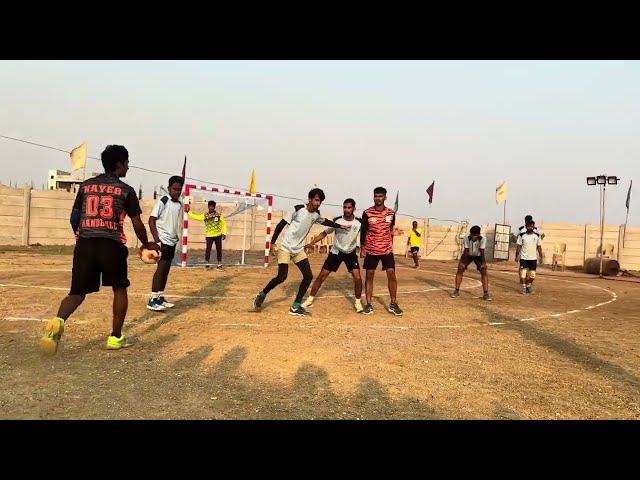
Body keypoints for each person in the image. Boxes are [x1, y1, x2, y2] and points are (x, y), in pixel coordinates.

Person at [39, 145, 159, 356]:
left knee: (76, 293)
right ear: (120, 163)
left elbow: (74, 218)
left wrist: (81, 236)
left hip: (85, 244)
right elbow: (138, 224)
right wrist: (147, 243)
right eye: (127, 163)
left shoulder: (85, 187)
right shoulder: (126, 190)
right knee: (119, 289)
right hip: (111, 245)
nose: (128, 167)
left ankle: (56, 324)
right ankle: (115, 338)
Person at [253, 188, 350, 317]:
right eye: (316, 200)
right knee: (282, 277)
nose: (317, 203)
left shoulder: (316, 215)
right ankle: (263, 294)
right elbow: (281, 224)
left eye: (320, 201)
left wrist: (339, 226)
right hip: (286, 248)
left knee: (308, 276)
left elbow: (325, 221)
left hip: (298, 250)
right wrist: (273, 243)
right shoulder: (298, 209)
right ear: (310, 199)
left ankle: (296, 306)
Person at [301, 198, 363, 313]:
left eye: (349, 207)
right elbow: (324, 233)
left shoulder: (359, 223)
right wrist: (311, 243)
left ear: (354, 209)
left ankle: (358, 302)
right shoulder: (337, 221)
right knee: (322, 276)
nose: (346, 210)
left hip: (350, 253)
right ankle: (310, 299)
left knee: (358, 278)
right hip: (336, 252)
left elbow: (367, 235)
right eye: (345, 207)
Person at [360, 187, 403, 316]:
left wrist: (393, 233)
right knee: (369, 275)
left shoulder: (391, 213)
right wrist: (363, 248)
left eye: (380, 196)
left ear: (385, 197)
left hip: (386, 250)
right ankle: (368, 304)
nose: (378, 198)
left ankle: (393, 304)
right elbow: (363, 232)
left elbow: (389, 229)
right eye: (376, 196)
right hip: (371, 250)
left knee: (391, 274)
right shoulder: (367, 212)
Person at [147, 176, 184, 311]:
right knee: (161, 269)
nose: (177, 192)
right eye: (174, 189)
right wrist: (157, 240)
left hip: (172, 241)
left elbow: (173, 222)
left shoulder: (179, 204)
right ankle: (152, 299)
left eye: (179, 190)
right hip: (163, 241)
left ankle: (160, 297)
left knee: (166, 270)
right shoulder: (163, 201)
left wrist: (175, 235)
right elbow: (151, 220)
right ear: (169, 188)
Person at [451, 225, 491, 300]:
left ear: (479, 234)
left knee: (484, 271)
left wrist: (483, 263)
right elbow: (466, 250)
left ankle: (486, 293)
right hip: (468, 254)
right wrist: (463, 262)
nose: (473, 237)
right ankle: (456, 291)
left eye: (475, 235)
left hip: (478, 256)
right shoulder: (466, 237)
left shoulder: (483, 238)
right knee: (460, 268)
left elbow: (482, 251)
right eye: (472, 235)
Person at [186, 200, 227, 270]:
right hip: (209, 236)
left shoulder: (219, 215)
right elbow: (197, 217)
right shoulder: (205, 215)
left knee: (219, 250)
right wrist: (188, 212)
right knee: (208, 249)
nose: (211, 208)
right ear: (208, 207)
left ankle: (219, 264)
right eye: (210, 206)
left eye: (212, 206)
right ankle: (207, 263)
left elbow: (223, 224)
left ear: (214, 207)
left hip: (218, 235)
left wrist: (224, 233)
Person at [516, 220, 543, 294]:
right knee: (523, 274)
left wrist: (541, 256)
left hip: (533, 258)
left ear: (534, 227)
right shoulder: (522, 235)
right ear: (526, 226)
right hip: (524, 258)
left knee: (532, 275)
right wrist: (516, 256)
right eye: (529, 226)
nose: (530, 228)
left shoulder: (537, 236)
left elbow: (539, 247)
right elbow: (519, 246)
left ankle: (528, 285)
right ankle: (524, 287)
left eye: (532, 226)